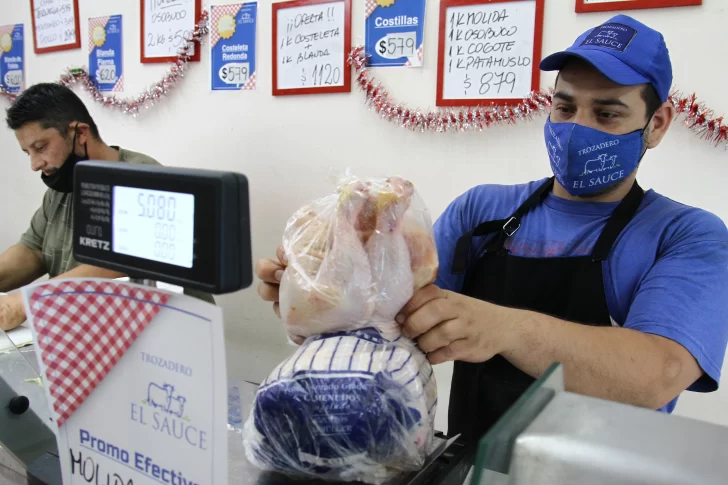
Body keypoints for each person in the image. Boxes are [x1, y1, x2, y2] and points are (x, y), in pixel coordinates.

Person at [257, 15, 728, 442]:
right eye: (565, 109)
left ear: (657, 123)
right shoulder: (481, 210)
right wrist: (321, 286)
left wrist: (507, 329)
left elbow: (657, 374)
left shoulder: (687, 236)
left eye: (606, 114)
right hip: (470, 466)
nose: (576, 129)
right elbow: (391, 318)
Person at [0, 83, 213, 332]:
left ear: (80, 133)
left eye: (41, 147)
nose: (35, 164)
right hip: (86, 340)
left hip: (163, 343)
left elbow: (123, 263)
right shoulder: (62, 187)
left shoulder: (145, 178)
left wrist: (30, 300)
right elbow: (34, 249)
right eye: (28, 153)